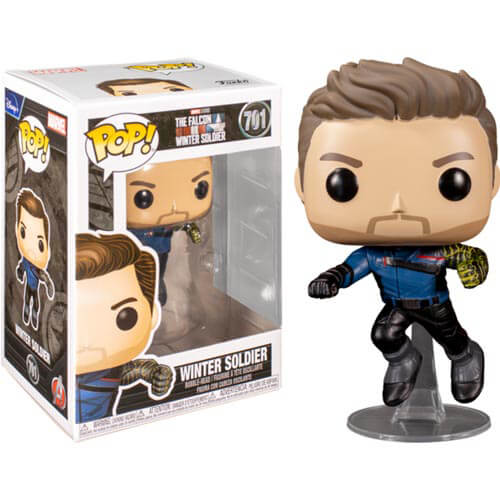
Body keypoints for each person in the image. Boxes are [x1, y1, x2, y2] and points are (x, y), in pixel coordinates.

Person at [296, 58, 498, 406]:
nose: (398, 206)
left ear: (493, 182)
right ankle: (403, 360)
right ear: (301, 185)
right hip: (397, 306)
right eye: (343, 183)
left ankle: (466, 356)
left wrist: (472, 266)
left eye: (453, 182)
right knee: (383, 334)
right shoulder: (374, 255)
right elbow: (349, 269)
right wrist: (331, 280)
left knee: (451, 339)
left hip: (434, 307)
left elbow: (470, 260)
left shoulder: (440, 252)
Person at [76, 232, 174, 423]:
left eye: (125, 318)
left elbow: (129, 371)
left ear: (152, 315)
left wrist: (152, 372)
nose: (93, 339)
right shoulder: (62, 367)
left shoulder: (109, 370)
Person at [126, 157, 213, 305]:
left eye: (200, 189)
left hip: (160, 250)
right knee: (138, 274)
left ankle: (154, 289)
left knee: (157, 272)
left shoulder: (168, 219)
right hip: (139, 250)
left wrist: (190, 228)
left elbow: (180, 226)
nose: (173, 208)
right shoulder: (139, 221)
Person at [15, 188, 54, 331]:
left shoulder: (37, 269)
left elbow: (44, 277)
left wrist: (49, 285)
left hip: (34, 287)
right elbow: (21, 266)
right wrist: (20, 272)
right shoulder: (26, 262)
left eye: (40, 244)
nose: (31, 249)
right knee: (27, 299)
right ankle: (27, 313)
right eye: (23, 232)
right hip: (28, 287)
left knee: (35, 303)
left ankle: (34, 315)